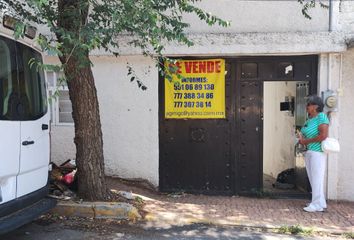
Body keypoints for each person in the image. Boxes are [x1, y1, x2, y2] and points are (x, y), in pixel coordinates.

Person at [298, 95, 329, 212]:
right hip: (309, 152)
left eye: (308, 104)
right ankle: (320, 203)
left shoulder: (321, 117)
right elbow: (304, 131)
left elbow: (323, 135)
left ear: (315, 106)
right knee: (313, 178)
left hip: (317, 152)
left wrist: (305, 141)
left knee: (317, 178)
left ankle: (316, 205)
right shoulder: (309, 119)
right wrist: (300, 137)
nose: (306, 107)